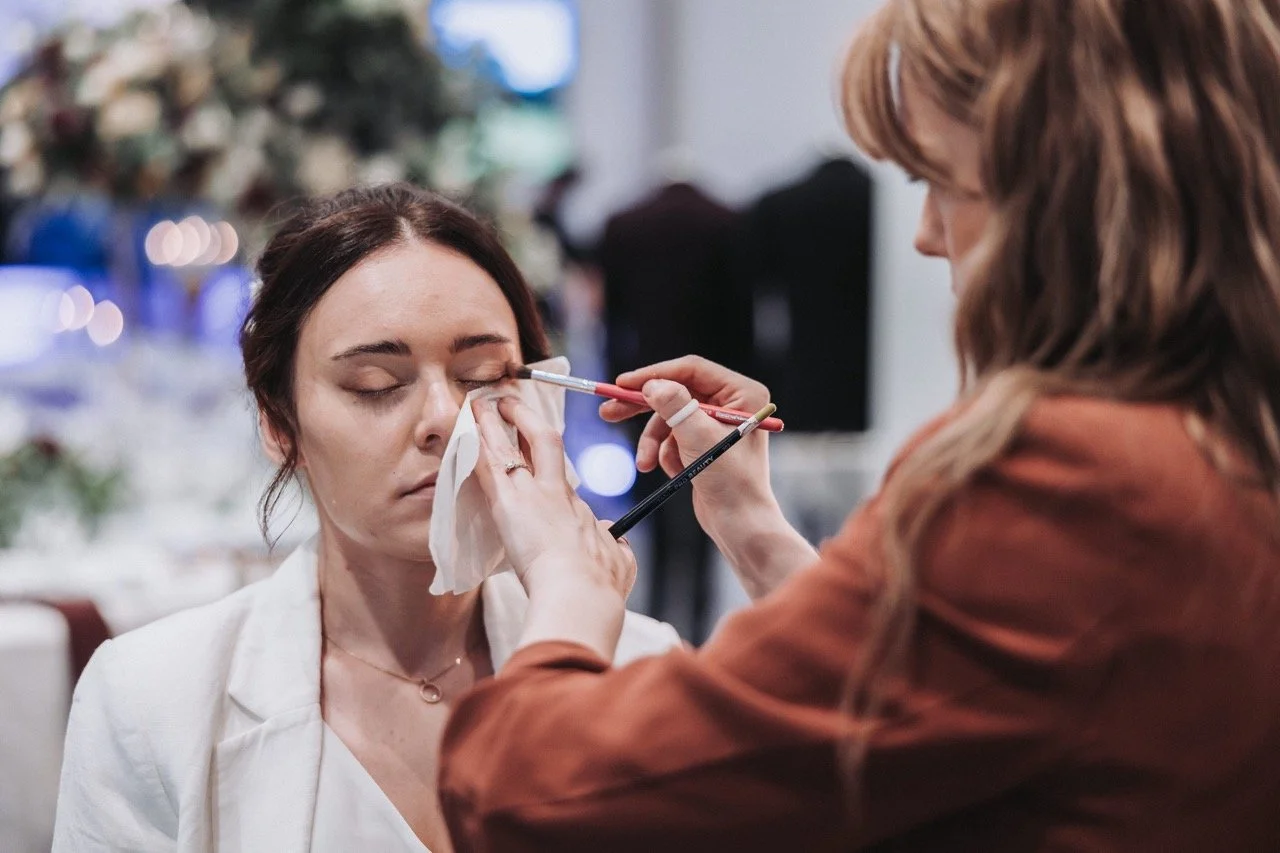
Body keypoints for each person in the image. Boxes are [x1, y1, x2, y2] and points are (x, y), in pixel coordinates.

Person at [436, 1, 1280, 850]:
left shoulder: (1072, 480)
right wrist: (757, 531)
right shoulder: (1230, 436)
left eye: (943, 182)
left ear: (1074, 196)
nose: (923, 236)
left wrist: (563, 582)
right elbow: (938, 695)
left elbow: (534, 794)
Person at [51, 184, 679, 852]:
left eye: (481, 373)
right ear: (278, 421)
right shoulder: (154, 699)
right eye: (376, 385)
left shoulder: (648, 669)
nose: (443, 418)